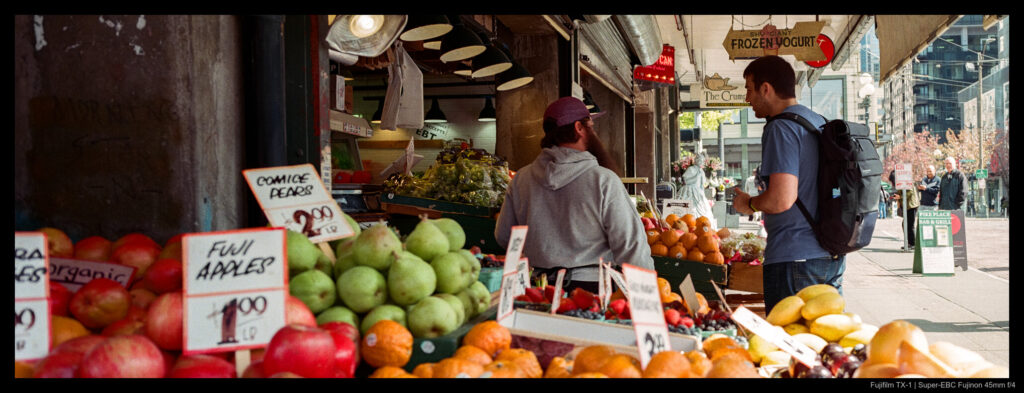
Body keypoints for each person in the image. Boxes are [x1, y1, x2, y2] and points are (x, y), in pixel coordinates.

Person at [494, 97, 653, 293]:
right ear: (579, 127)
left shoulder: (521, 179)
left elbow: (503, 236)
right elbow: (632, 246)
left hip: (536, 289)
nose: (594, 131)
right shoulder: (603, 180)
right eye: (590, 125)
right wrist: (648, 298)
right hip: (592, 292)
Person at [730, 55, 844, 314]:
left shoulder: (781, 128)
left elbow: (781, 198)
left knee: (789, 347)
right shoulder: (816, 122)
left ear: (766, 89)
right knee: (823, 344)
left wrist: (748, 203)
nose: (747, 98)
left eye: (749, 89)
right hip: (828, 255)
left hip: (795, 260)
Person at [681, 151, 717, 229]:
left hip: (699, 192)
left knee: (702, 208)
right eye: (700, 160)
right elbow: (685, 178)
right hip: (690, 190)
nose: (701, 162)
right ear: (696, 161)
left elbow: (703, 183)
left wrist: (710, 177)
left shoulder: (701, 171)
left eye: (703, 161)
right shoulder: (691, 169)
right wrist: (695, 177)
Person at [893, 173, 920, 250]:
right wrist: (897, 196)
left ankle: (913, 244)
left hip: (911, 206)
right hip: (909, 206)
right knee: (906, 224)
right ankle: (909, 243)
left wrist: (900, 196)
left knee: (909, 225)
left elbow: (909, 193)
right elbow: (901, 192)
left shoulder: (908, 181)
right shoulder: (902, 182)